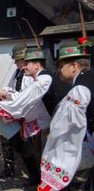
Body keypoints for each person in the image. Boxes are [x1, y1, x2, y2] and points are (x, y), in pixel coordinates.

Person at [0, 47, 70, 187]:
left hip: (34, 117)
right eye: (18, 61)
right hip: (23, 114)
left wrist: (3, 108)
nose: (19, 64)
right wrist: (4, 94)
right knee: (14, 143)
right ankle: (15, 170)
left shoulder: (41, 78)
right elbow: (14, 91)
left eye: (21, 61)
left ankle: (39, 178)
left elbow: (26, 98)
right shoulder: (20, 73)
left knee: (36, 150)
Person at [38, 38, 94, 191]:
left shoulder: (79, 89)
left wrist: (53, 138)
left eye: (61, 66)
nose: (58, 71)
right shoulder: (90, 78)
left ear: (74, 66)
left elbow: (66, 124)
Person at [0, 43, 34, 179]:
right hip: (14, 112)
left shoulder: (30, 74)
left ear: (24, 59)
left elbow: (25, 95)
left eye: (17, 60)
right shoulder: (17, 71)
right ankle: (9, 169)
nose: (15, 62)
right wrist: (3, 91)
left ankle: (34, 176)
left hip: (26, 115)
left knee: (27, 147)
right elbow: (11, 86)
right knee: (6, 140)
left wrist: (9, 95)